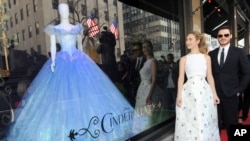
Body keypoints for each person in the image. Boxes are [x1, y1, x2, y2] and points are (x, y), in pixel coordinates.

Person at [5, 3, 134, 141]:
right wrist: (53, 62)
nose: (64, 12)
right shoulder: (55, 29)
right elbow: (53, 48)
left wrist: (83, 60)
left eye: (66, 10)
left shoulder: (76, 28)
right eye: (62, 10)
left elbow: (79, 45)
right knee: (62, 95)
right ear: (60, 13)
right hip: (62, 61)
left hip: (77, 60)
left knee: (85, 93)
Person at [175, 31, 220, 141]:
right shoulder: (184, 59)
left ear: (197, 41)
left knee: (205, 119)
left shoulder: (206, 57)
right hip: (189, 91)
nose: (187, 42)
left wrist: (215, 94)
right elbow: (181, 78)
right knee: (190, 120)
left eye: (190, 39)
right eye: (186, 40)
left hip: (205, 92)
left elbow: (210, 77)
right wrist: (179, 95)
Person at [208, 26, 250, 135]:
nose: (223, 37)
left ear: (230, 36)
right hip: (214, 95)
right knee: (213, 125)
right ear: (217, 37)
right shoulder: (211, 54)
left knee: (231, 124)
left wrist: (239, 90)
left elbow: (247, 73)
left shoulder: (239, 52)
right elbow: (209, 74)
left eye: (226, 35)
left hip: (231, 95)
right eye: (220, 35)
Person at [133, 40, 163, 133]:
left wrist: (149, 96)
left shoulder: (153, 61)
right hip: (142, 89)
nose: (145, 49)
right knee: (141, 114)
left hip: (148, 90)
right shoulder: (146, 62)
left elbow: (154, 80)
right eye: (144, 47)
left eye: (147, 47)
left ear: (151, 48)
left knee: (148, 115)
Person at [127, 42, 146, 107]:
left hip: (145, 90)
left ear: (141, 50)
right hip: (135, 91)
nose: (135, 52)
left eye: (136, 50)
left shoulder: (147, 61)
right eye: (133, 50)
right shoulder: (132, 62)